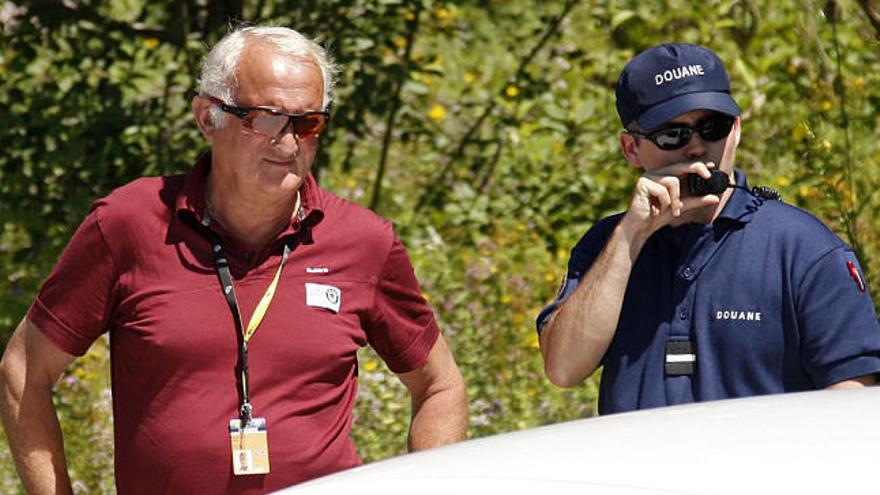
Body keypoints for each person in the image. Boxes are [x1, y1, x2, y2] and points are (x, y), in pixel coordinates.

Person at [0, 26, 467, 494]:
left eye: (308, 123)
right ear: (208, 118)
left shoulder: (362, 241)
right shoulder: (129, 224)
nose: (288, 143)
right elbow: (23, 372)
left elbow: (440, 387)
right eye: (266, 118)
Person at [537, 43, 880, 414]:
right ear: (631, 148)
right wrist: (629, 237)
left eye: (712, 127)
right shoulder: (609, 245)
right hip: (630, 472)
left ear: (735, 130)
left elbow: (853, 402)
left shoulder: (803, 249)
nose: (697, 148)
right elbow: (563, 368)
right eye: (673, 135)